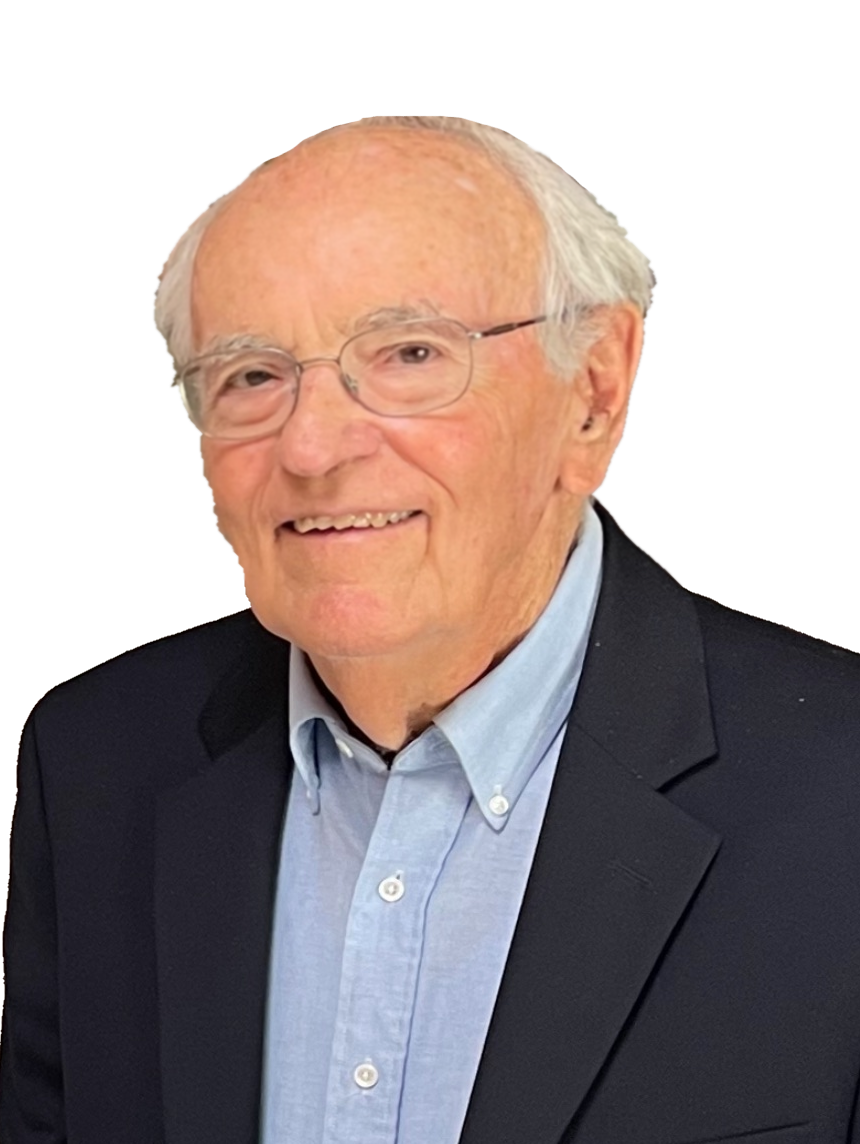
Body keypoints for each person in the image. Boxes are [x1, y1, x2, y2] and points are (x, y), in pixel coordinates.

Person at [1, 115, 857, 1144]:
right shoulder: (94, 763)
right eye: (251, 375)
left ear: (593, 392)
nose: (312, 447)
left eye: (408, 353)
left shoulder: (842, 791)